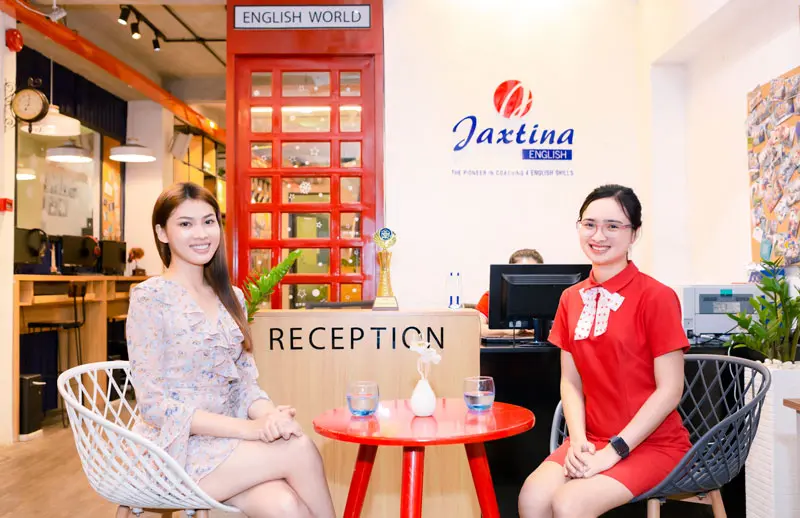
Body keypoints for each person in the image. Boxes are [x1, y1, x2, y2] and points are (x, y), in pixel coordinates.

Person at [126, 182, 335, 518]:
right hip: (174, 451)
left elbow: (245, 386)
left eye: (209, 222)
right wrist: (250, 430)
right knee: (298, 448)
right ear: (162, 233)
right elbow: (153, 406)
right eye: (185, 223)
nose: (201, 233)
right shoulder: (150, 298)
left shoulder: (231, 297)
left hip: (227, 448)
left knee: (286, 506)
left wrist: (270, 417)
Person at [517, 184, 691, 518]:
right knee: (532, 498)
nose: (598, 235)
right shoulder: (570, 298)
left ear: (634, 233)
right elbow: (570, 381)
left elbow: (670, 390)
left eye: (613, 226)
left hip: (651, 444)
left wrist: (614, 451)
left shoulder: (657, 296)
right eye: (590, 224)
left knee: (569, 503)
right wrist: (578, 440)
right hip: (591, 439)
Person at [475, 248, 543, 337]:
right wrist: (507, 331)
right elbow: (477, 328)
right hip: (507, 345)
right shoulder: (492, 297)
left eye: (531, 272)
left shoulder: (552, 299)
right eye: (521, 272)